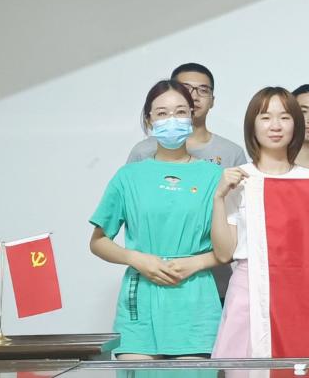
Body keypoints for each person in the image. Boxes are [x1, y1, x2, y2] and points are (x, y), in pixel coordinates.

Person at [89, 80, 223, 358]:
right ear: (149, 120)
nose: (172, 120)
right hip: (142, 297)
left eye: (180, 112)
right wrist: (137, 259)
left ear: (192, 116)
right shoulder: (128, 176)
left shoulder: (214, 176)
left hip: (195, 300)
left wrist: (196, 263)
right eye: (162, 113)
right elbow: (99, 241)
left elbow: (232, 246)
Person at [210, 87, 309, 358]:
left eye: (284, 117)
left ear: (295, 124)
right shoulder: (237, 178)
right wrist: (219, 197)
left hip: (297, 286)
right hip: (247, 286)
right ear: (253, 125)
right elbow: (223, 254)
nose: (275, 126)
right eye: (265, 117)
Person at [127, 63, 247, 168]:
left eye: (203, 90)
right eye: (185, 88)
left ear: (212, 100)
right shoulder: (142, 151)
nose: (194, 97)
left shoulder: (232, 153)